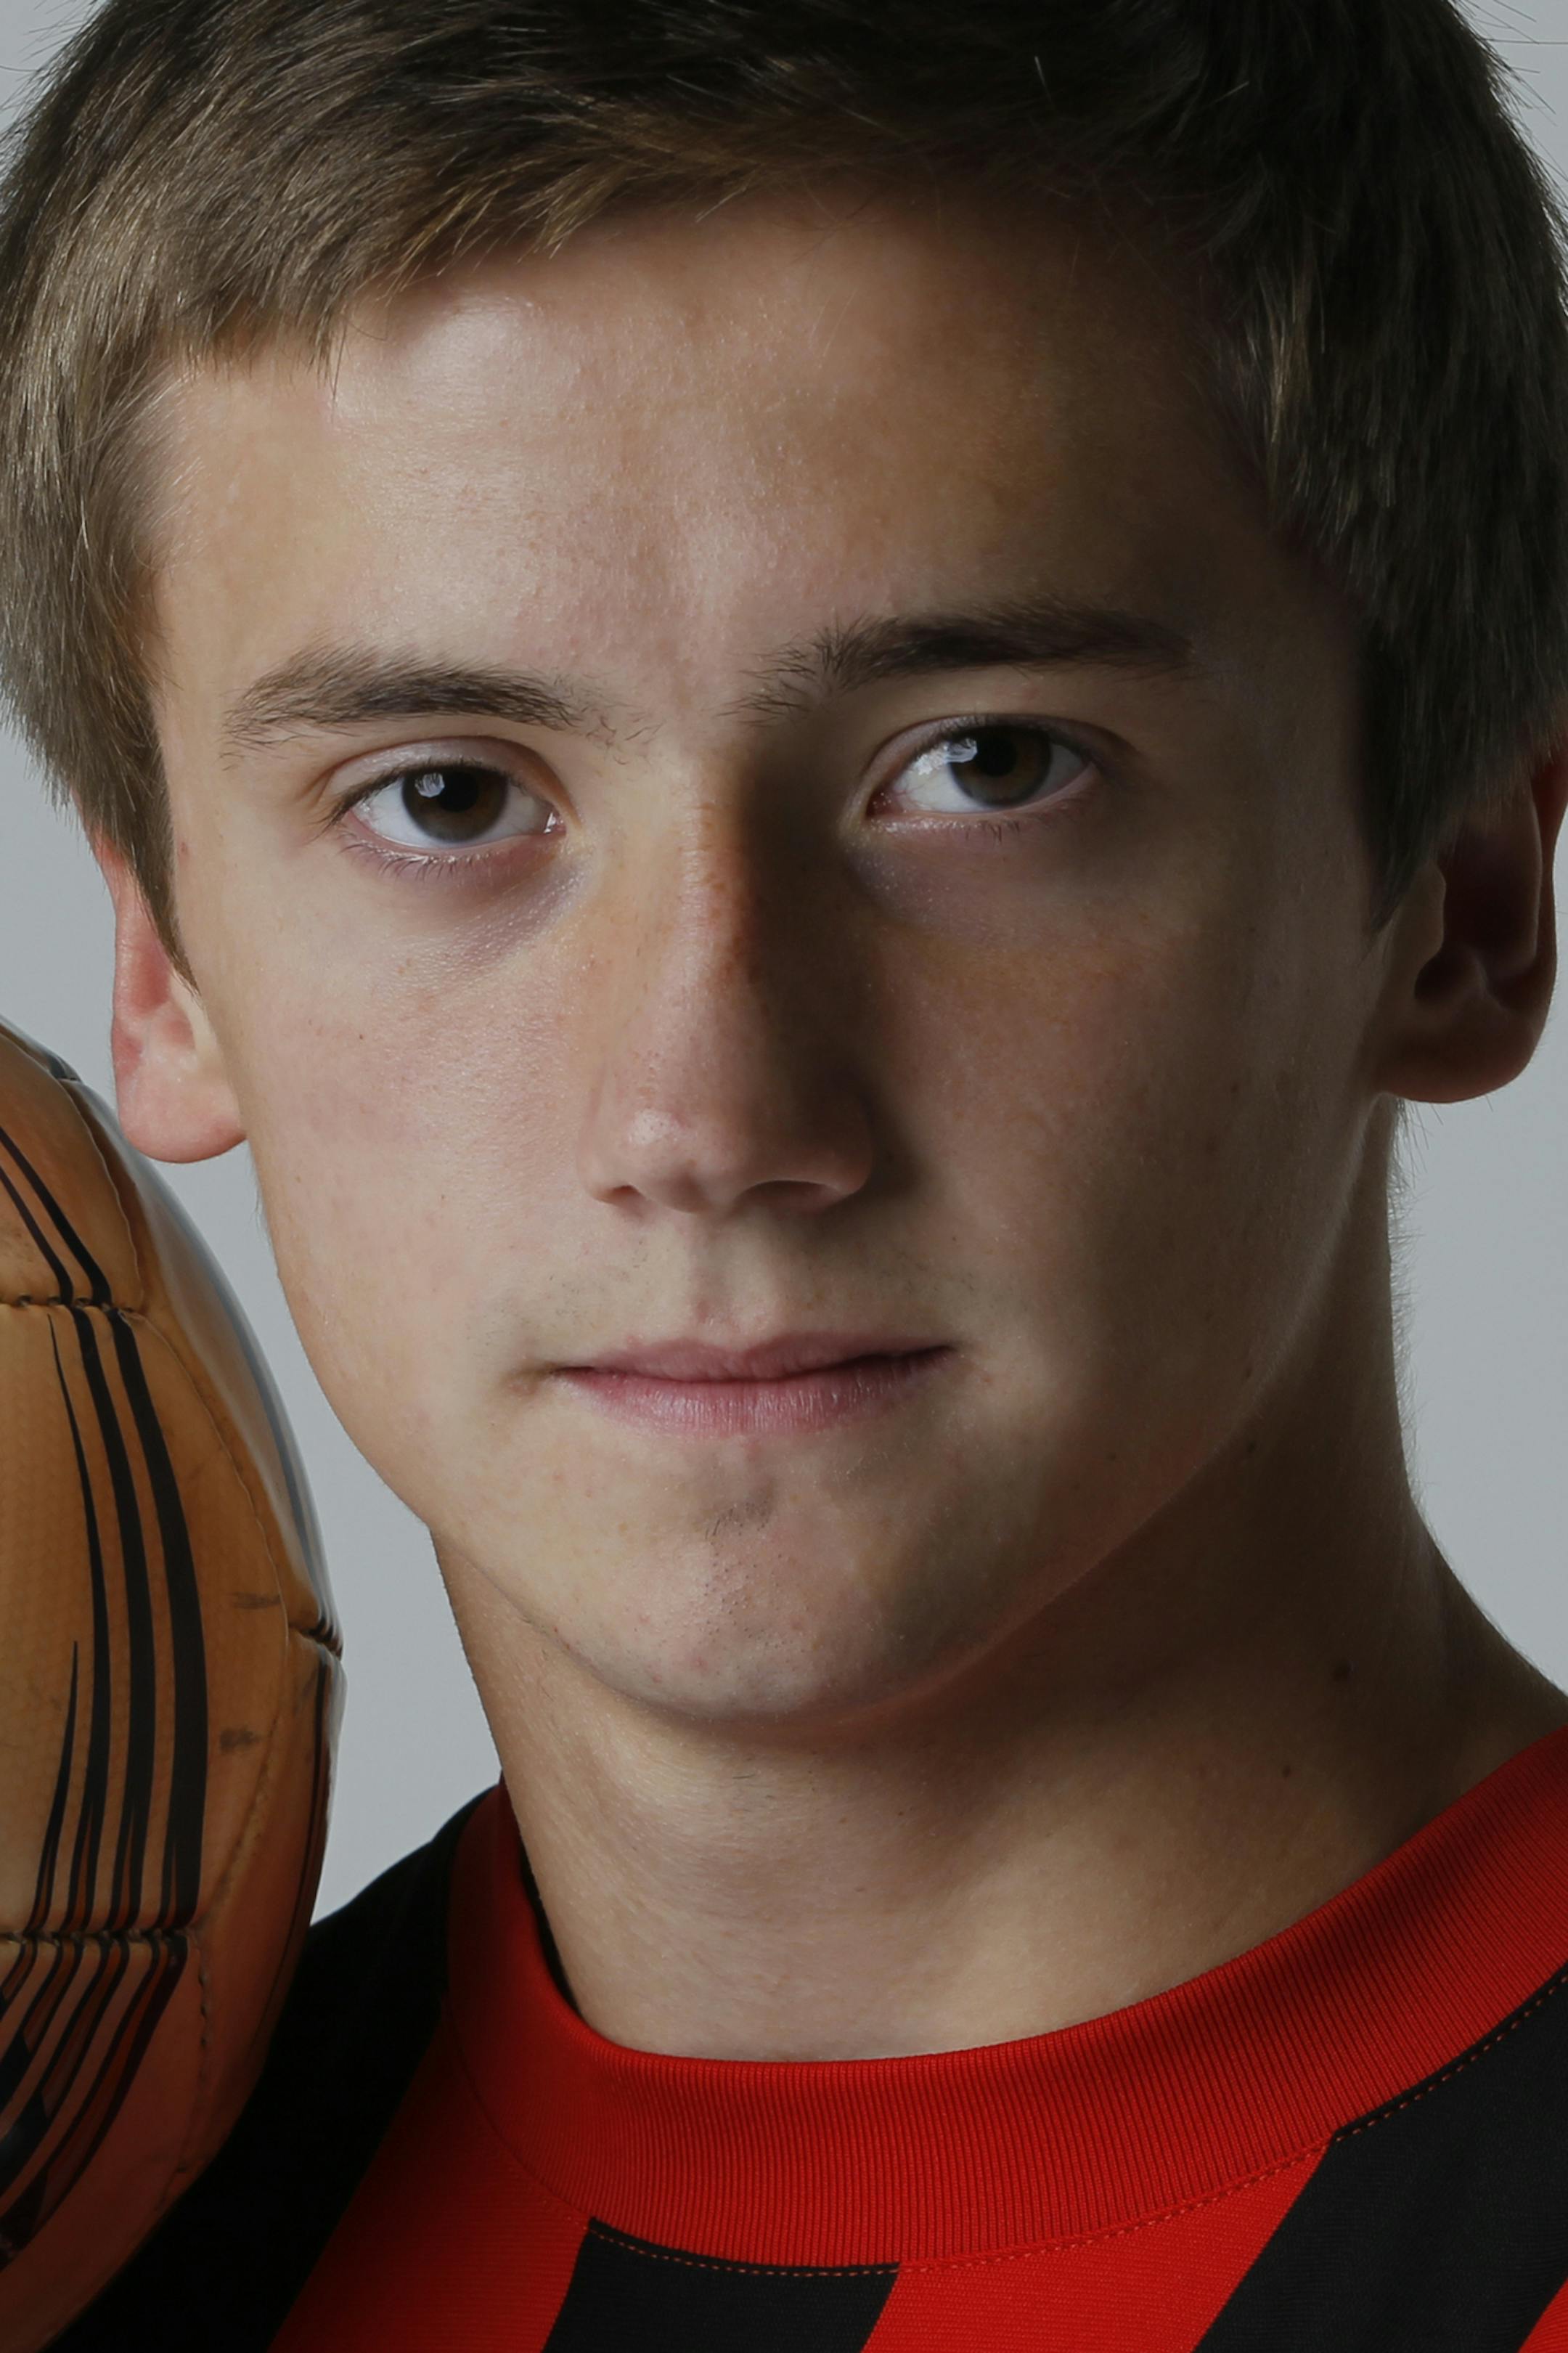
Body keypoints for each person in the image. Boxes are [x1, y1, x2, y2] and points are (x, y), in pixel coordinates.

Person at [1, 0, 1566, 2342]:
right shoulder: (99, 2269)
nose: (705, 1115)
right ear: (162, 964)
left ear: (1461, 898)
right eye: (446, 796)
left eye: (989, 765)